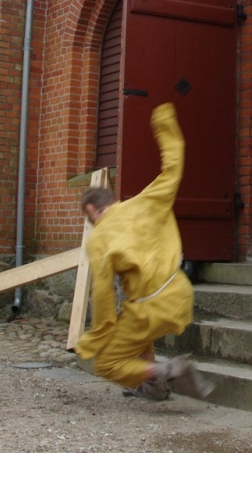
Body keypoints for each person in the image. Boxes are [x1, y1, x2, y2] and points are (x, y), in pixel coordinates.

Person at [74, 102, 213, 401]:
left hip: (150, 306)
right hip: (179, 293)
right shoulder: (145, 202)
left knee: (108, 363)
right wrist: (164, 123)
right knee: (134, 325)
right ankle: (153, 387)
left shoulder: (99, 238)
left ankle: (166, 371)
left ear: (90, 210)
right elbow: (173, 168)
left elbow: (102, 295)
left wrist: (95, 336)